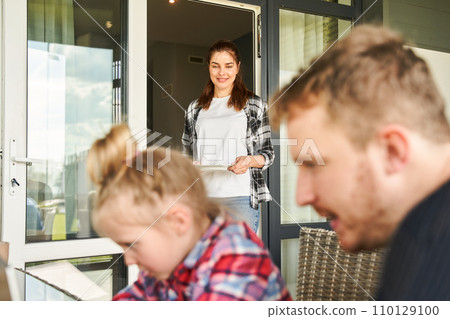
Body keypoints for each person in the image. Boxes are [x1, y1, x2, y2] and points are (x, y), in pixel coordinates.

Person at [270, 25, 450, 300]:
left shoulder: (433, 261)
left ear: (392, 151)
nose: (301, 196)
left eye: (313, 164)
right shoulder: (413, 231)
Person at [87, 124, 291, 301]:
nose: (128, 260)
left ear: (178, 222)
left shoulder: (234, 264)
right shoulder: (169, 258)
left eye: (132, 244)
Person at [182, 40, 274, 233]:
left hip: (240, 197)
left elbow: (268, 154)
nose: (221, 72)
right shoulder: (194, 109)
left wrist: (249, 160)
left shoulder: (254, 105)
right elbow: (186, 156)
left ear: (238, 67)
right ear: (208, 68)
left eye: (228, 66)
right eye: (215, 66)